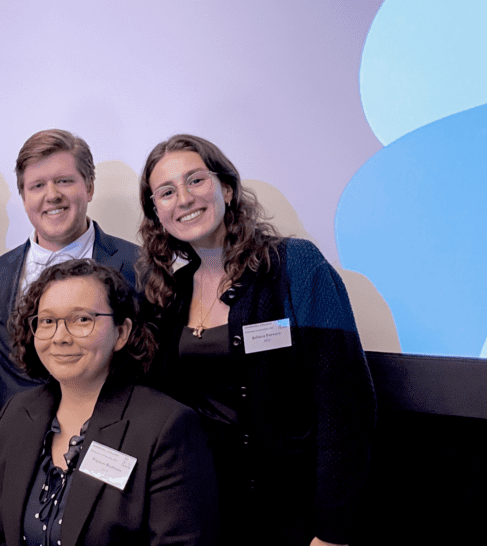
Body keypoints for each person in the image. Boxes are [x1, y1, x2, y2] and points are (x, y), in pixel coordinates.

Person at [137, 134, 377, 546]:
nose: (184, 198)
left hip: (295, 514)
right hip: (208, 511)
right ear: (158, 213)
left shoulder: (295, 267)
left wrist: (332, 531)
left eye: (195, 180)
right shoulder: (169, 293)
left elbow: (346, 404)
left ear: (226, 189)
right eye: (167, 191)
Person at [0, 259, 218, 546]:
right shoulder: (16, 415)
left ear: (121, 333)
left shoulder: (165, 428)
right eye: (48, 321)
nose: (60, 337)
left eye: (82, 320)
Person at [0, 129, 140, 416]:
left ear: (89, 187)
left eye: (64, 181)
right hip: (21, 446)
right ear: (23, 197)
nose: (52, 195)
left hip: (115, 439)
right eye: (37, 186)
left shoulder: (140, 266)